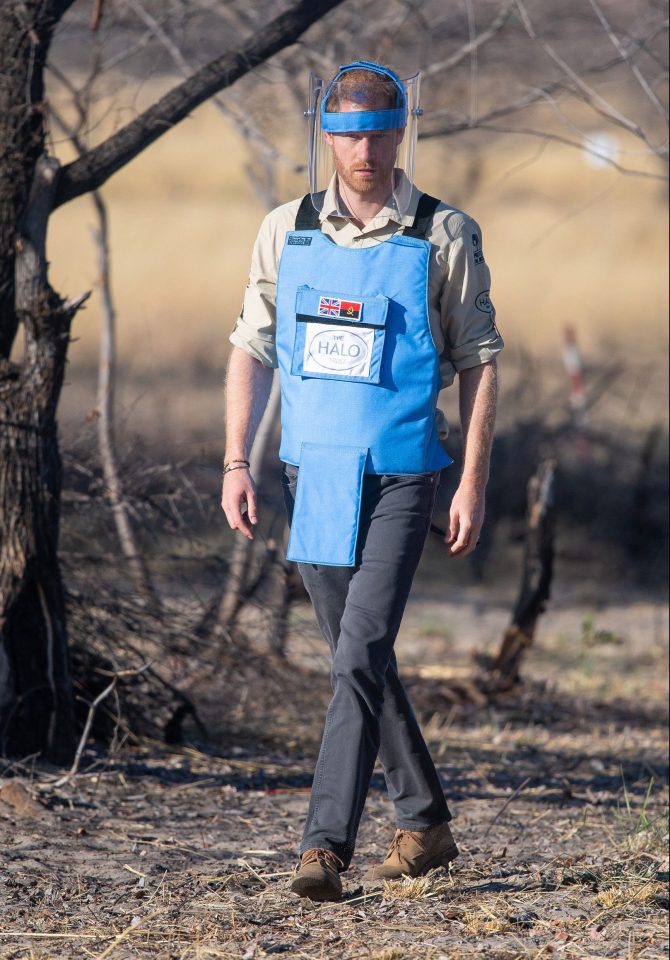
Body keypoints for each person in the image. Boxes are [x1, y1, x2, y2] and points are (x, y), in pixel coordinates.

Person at [221, 60, 503, 902]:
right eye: (349, 135)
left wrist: (474, 483)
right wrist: (237, 459)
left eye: (381, 132)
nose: (366, 150)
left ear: (401, 132)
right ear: (327, 137)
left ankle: (323, 849)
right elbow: (251, 345)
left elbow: (482, 364)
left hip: (406, 478)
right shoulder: (286, 229)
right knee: (359, 658)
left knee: (358, 655)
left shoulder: (443, 233)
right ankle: (425, 824)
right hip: (313, 477)